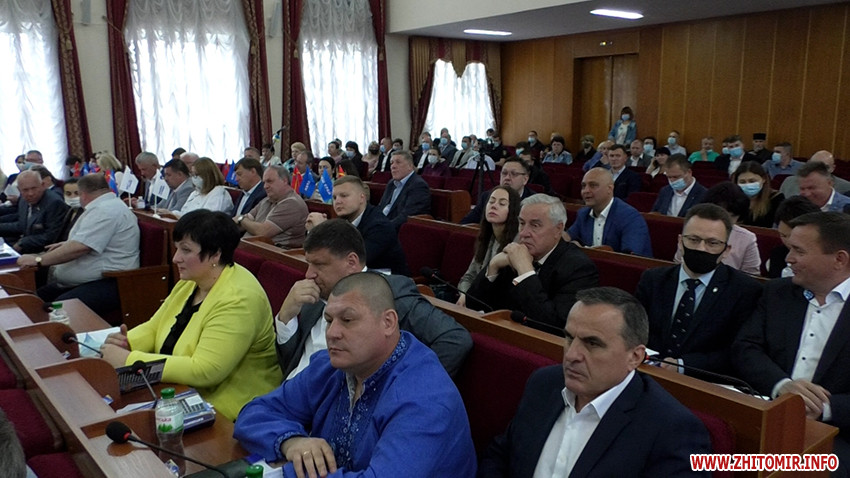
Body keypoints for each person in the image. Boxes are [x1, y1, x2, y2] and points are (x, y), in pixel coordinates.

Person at [235, 272, 477, 476]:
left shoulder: (426, 396)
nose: (332, 333)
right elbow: (254, 413)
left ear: (388, 322)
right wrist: (292, 443)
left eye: (347, 320)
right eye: (329, 320)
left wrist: (293, 470)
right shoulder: (330, 367)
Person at [479, 287, 711, 477]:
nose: (571, 355)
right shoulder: (544, 383)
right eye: (569, 338)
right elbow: (500, 456)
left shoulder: (672, 429)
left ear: (635, 357)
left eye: (592, 344)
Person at [100, 210, 281, 421]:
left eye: (186, 250)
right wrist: (125, 343)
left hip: (230, 410)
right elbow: (154, 326)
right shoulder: (193, 280)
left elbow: (206, 370)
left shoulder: (239, 299)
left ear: (215, 254)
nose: (176, 258)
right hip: (179, 389)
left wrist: (131, 360)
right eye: (177, 248)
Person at [272, 219, 471, 378]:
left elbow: (454, 339)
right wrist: (286, 318)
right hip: (290, 398)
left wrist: (404, 388)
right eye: (308, 263)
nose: (309, 274)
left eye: (319, 265)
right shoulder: (315, 293)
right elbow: (292, 363)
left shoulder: (390, 293)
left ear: (351, 262)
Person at [733, 212, 850, 473]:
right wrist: (782, 385)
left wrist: (824, 407)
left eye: (799, 251)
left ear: (839, 259)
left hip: (838, 434)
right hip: (766, 411)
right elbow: (746, 348)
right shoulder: (778, 292)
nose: (788, 259)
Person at [636, 204, 763, 376]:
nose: (701, 248)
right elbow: (635, 330)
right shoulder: (654, 279)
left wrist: (682, 365)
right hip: (645, 371)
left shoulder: (745, 290)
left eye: (712, 243)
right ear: (680, 242)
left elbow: (736, 351)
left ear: (726, 250)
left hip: (703, 381)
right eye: (694, 239)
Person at [467, 194, 599, 331]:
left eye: (535, 225)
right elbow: (472, 306)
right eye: (522, 223)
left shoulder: (579, 268)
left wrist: (525, 272)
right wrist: (493, 266)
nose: (524, 233)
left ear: (558, 229)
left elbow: (554, 326)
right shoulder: (514, 255)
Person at [17, 174, 139, 318]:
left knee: (55, 309)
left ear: (83, 194)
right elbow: (89, 239)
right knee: (34, 299)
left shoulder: (106, 211)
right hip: (89, 280)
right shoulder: (103, 207)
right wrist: (67, 245)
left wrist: (38, 260)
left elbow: (80, 247)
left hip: (109, 281)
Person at [306, 176, 409, 274]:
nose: (337, 201)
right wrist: (314, 231)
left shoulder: (380, 226)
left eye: (344, 196)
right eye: (334, 197)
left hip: (387, 281)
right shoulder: (342, 221)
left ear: (362, 198)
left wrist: (321, 230)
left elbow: (351, 261)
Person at [676, 182, 761, 275]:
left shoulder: (747, 238)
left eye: (731, 216)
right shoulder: (692, 229)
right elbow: (678, 262)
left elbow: (751, 275)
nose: (724, 221)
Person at [458, 186, 521, 308]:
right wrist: (465, 294)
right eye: (491, 201)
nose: (494, 206)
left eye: (502, 204)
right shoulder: (487, 237)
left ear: (513, 210)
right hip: (474, 301)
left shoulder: (516, 244)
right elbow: (468, 277)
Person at [567, 168, 653, 257]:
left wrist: (582, 250)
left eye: (593, 185)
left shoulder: (630, 217)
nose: (586, 191)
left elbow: (629, 257)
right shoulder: (583, 214)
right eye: (583, 186)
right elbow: (568, 236)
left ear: (610, 189)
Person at [236, 165, 308, 249]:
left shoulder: (292, 203)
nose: (265, 186)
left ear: (284, 181)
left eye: (269, 181)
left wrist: (241, 219)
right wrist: (241, 221)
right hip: (249, 247)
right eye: (264, 182)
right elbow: (241, 223)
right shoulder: (267, 200)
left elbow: (262, 232)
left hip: (272, 252)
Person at [0, 170, 68, 253]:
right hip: (26, 242)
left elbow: (51, 236)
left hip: (44, 251)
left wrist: (23, 242)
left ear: (43, 185)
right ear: (19, 190)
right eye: (25, 190)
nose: (30, 193)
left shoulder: (54, 203)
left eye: (34, 188)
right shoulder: (23, 200)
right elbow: (22, 225)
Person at [461, 158, 534, 225]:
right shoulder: (487, 196)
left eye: (514, 174)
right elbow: (465, 224)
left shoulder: (533, 202)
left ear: (525, 179)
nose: (507, 178)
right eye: (504, 173)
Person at [767, 196, 820, 278]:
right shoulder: (777, 255)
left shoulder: (824, 257)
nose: (789, 242)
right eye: (783, 235)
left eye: (793, 236)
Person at [376, 150, 431, 230]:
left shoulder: (418, 186)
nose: (393, 166)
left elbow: (406, 216)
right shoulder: (391, 183)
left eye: (398, 162)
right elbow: (381, 207)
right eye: (391, 163)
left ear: (410, 166)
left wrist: (384, 228)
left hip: (397, 230)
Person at [167, 157, 233, 217]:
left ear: (208, 175)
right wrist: (171, 213)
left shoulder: (218, 192)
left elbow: (208, 218)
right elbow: (184, 213)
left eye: (196, 175)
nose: (193, 178)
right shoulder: (195, 193)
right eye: (192, 174)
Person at [732, 161, 784, 228]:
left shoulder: (776, 198)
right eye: (742, 182)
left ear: (763, 179)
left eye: (752, 181)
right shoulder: (732, 199)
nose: (748, 185)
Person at [780, 150, 850, 197]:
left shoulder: (846, 187)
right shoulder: (789, 182)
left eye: (825, 167)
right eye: (814, 165)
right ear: (808, 163)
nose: (819, 170)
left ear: (833, 168)